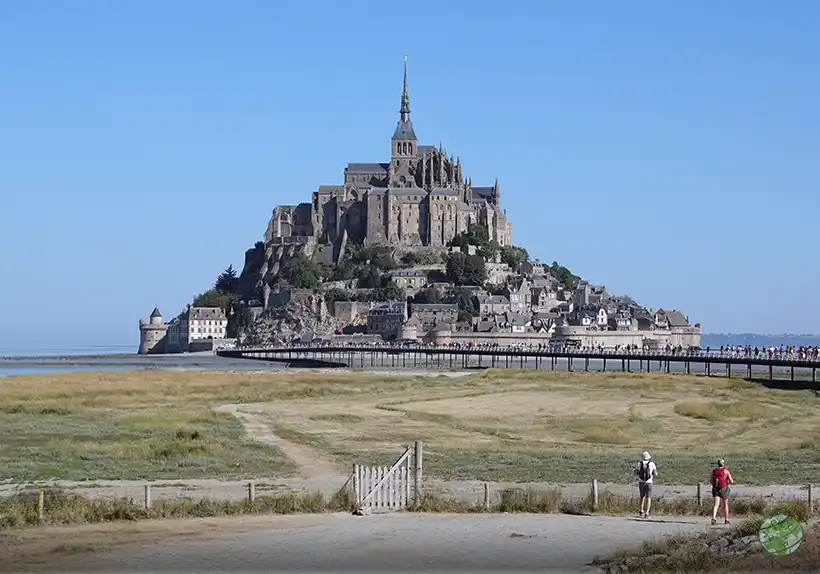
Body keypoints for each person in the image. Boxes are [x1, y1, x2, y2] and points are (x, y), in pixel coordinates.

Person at [710, 458, 734, 525]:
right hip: (723, 489)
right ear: (723, 464)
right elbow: (732, 481)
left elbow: (711, 481)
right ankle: (726, 520)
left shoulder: (714, 471)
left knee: (716, 504)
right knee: (725, 505)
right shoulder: (726, 471)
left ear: (718, 464)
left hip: (715, 489)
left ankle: (713, 518)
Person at [634, 451, 657, 518]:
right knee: (648, 497)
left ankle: (641, 511)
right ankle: (647, 513)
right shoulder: (652, 464)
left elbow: (636, 472)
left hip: (641, 482)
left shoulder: (639, 463)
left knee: (642, 497)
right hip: (649, 482)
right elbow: (655, 474)